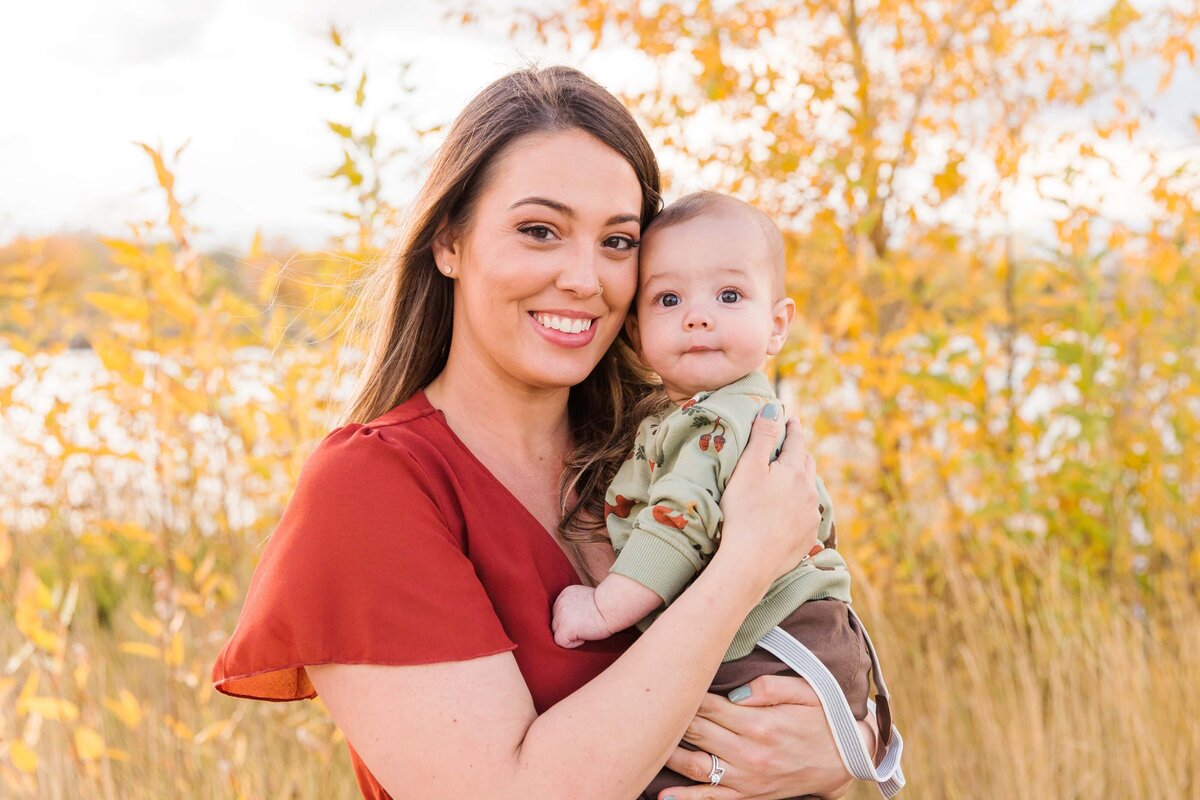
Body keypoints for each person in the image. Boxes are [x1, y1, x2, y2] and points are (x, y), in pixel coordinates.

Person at [211, 66, 878, 800]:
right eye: (539, 231)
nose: (584, 278)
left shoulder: (665, 438)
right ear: (449, 243)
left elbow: (811, 622)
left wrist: (849, 744)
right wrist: (741, 564)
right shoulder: (374, 488)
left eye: (618, 242)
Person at [551, 192, 891, 798]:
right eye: (669, 299)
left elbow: (676, 526)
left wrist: (604, 609)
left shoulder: (717, 424)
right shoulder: (699, 414)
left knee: (658, 766)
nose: (698, 316)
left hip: (776, 640)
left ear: (778, 325)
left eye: (728, 297)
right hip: (812, 641)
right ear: (635, 330)